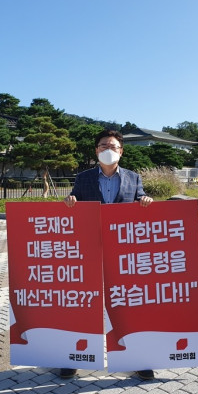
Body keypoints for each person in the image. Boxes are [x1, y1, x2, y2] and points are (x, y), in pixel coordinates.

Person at [61, 129, 154, 380]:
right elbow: (75, 202)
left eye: (112, 146)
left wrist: (145, 200)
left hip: (124, 255)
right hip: (89, 251)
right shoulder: (84, 178)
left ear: (121, 151)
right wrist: (70, 200)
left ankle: (136, 357)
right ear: (96, 150)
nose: (108, 150)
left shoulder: (134, 178)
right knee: (83, 304)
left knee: (128, 305)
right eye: (102, 146)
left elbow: (140, 201)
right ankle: (74, 357)